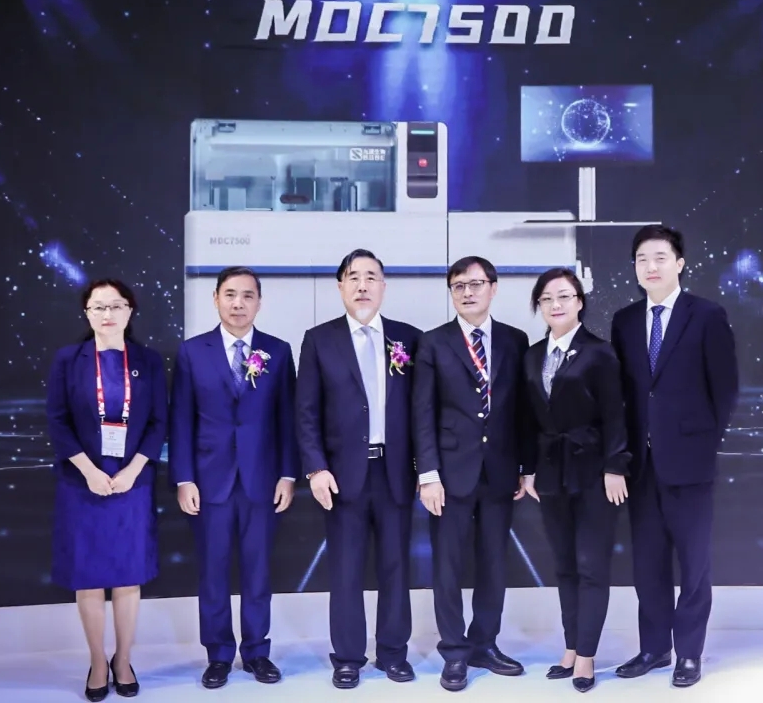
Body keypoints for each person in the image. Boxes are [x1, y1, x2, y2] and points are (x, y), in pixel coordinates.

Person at [609, 225, 739, 688]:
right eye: (642, 259)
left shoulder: (706, 315)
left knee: (693, 564)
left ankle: (688, 653)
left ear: (679, 263)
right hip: (640, 467)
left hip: (689, 462)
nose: (651, 266)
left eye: (660, 257)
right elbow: (623, 396)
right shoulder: (624, 321)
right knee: (648, 564)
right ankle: (653, 648)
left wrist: (700, 443)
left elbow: (724, 389)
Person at [295, 249, 422, 690]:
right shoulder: (319, 340)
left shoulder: (408, 338)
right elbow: (306, 412)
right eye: (353, 277)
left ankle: (393, 653)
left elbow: (421, 411)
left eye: (371, 277)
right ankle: (348, 657)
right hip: (342, 475)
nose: (362, 285)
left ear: (384, 286)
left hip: (395, 471)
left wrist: (424, 470)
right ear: (340, 287)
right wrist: (315, 469)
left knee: (396, 568)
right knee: (346, 571)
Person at [168, 267, 298, 689]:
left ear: (259, 301)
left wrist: (288, 474)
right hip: (210, 482)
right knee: (213, 571)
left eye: (247, 295)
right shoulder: (192, 352)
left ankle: (257, 652)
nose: (238, 303)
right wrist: (184, 478)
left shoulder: (278, 351)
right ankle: (219, 654)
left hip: (263, 480)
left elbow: (287, 419)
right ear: (216, 299)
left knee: (258, 571)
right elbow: (180, 420)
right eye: (230, 294)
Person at [410, 256, 530, 691]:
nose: (467, 292)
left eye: (476, 284)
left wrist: (525, 467)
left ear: (493, 288)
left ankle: (485, 644)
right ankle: (454, 652)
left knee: (494, 564)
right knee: (448, 566)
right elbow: (422, 413)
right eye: (458, 285)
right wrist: (428, 474)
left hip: (500, 471)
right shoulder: (433, 342)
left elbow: (523, 411)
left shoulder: (515, 340)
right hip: (449, 474)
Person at [45, 278, 168, 702]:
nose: (107, 314)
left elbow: (159, 422)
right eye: (98, 307)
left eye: (115, 305)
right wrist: (88, 470)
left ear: (130, 310)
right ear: (87, 313)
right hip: (82, 481)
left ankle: (124, 659)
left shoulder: (148, 361)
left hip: (132, 480)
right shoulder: (68, 360)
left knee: (128, 574)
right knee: (89, 575)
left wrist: (134, 469)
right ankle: (98, 660)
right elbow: (57, 421)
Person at [520, 268, 630, 693]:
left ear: (580, 302)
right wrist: (528, 470)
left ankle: (587, 654)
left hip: (593, 472)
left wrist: (615, 467)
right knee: (564, 565)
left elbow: (616, 414)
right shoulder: (532, 355)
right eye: (547, 298)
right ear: (539, 306)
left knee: (591, 566)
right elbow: (528, 420)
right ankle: (570, 647)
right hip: (551, 474)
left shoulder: (599, 352)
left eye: (564, 296)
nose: (556, 304)